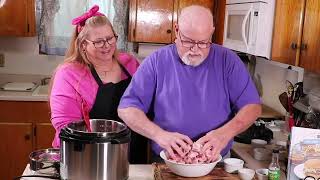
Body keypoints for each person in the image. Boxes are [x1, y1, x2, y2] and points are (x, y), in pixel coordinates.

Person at [118, 5, 262, 162]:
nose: (195, 49)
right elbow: (127, 109)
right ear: (177, 29)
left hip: (215, 161)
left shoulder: (228, 61)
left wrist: (224, 134)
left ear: (211, 33)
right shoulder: (156, 62)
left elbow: (252, 107)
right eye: (188, 41)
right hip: (168, 160)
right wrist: (159, 135)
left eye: (203, 42)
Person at [49, 5, 147, 163]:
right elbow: (65, 126)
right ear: (83, 45)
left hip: (130, 154)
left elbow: (149, 100)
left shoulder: (129, 63)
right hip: (85, 158)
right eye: (99, 42)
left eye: (110, 38)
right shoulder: (69, 74)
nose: (107, 45)